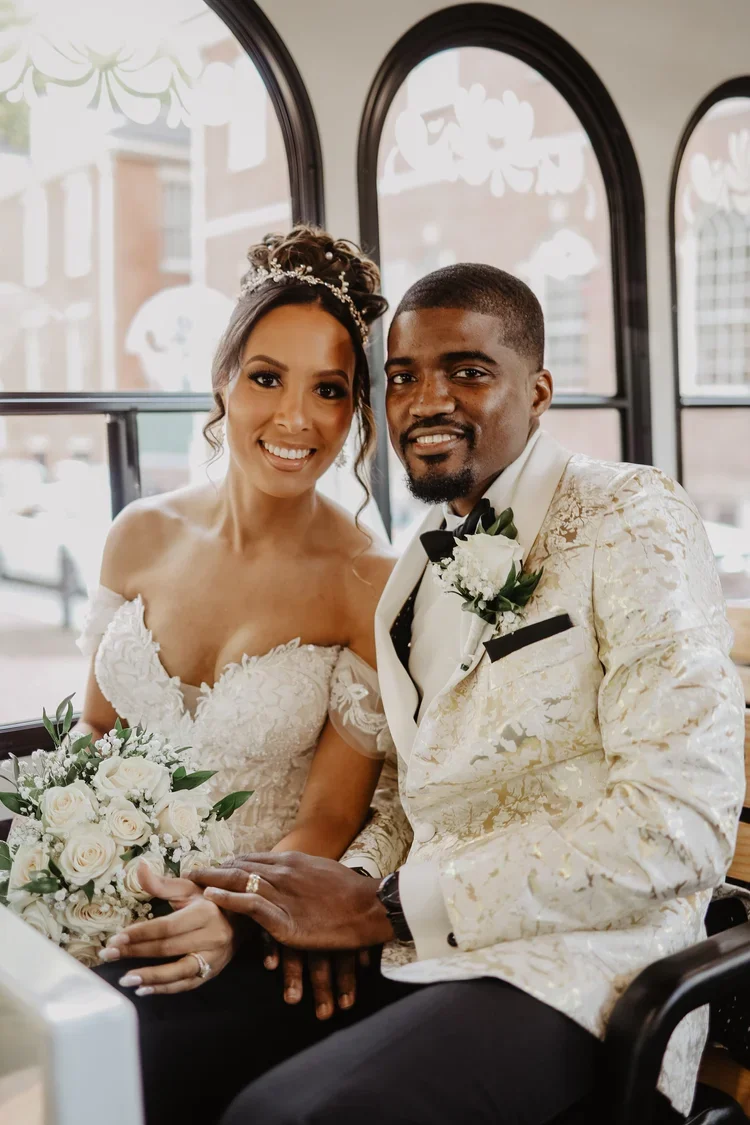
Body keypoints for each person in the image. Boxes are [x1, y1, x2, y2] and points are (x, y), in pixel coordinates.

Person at [180, 263, 746, 1125]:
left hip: (588, 974)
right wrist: (332, 894)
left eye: (467, 372)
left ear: (539, 390)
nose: (424, 400)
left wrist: (390, 904)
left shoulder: (632, 515)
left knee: (284, 1117)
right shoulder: (412, 572)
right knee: (159, 1028)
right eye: (401, 377)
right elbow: (422, 795)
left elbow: (681, 820)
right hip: (421, 947)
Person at [88, 227, 412, 1121]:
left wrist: (222, 911)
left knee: (116, 1043)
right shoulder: (138, 535)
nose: (295, 419)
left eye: (331, 390)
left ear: (355, 415)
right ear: (224, 377)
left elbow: (330, 815)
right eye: (268, 376)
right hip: (114, 878)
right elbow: (96, 738)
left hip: (262, 915)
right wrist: (73, 865)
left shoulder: (367, 585)